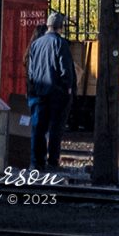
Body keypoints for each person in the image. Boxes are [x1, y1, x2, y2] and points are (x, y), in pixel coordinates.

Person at [25, 11, 76, 170]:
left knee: (38, 129)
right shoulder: (61, 44)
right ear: (60, 27)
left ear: (47, 25)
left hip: (38, 92)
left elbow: (31, 71)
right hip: (57, 93)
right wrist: (68, 88)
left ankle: (36, 162)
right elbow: (66, 70)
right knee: (55, 129)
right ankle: (53, 162)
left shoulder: (35, 44)